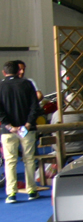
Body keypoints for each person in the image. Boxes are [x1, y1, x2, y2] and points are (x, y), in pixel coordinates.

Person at [0, 61, 41, 203]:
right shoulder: (27, 84)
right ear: (19, 71)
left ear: (4, 72)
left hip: (7, 131)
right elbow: (35, 106)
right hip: (26, 129)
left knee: (10, 161)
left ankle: (11, 194)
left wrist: (9, 126)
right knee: (29, 159)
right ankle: (31, 190)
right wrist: (28, 124)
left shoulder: (0, 86)